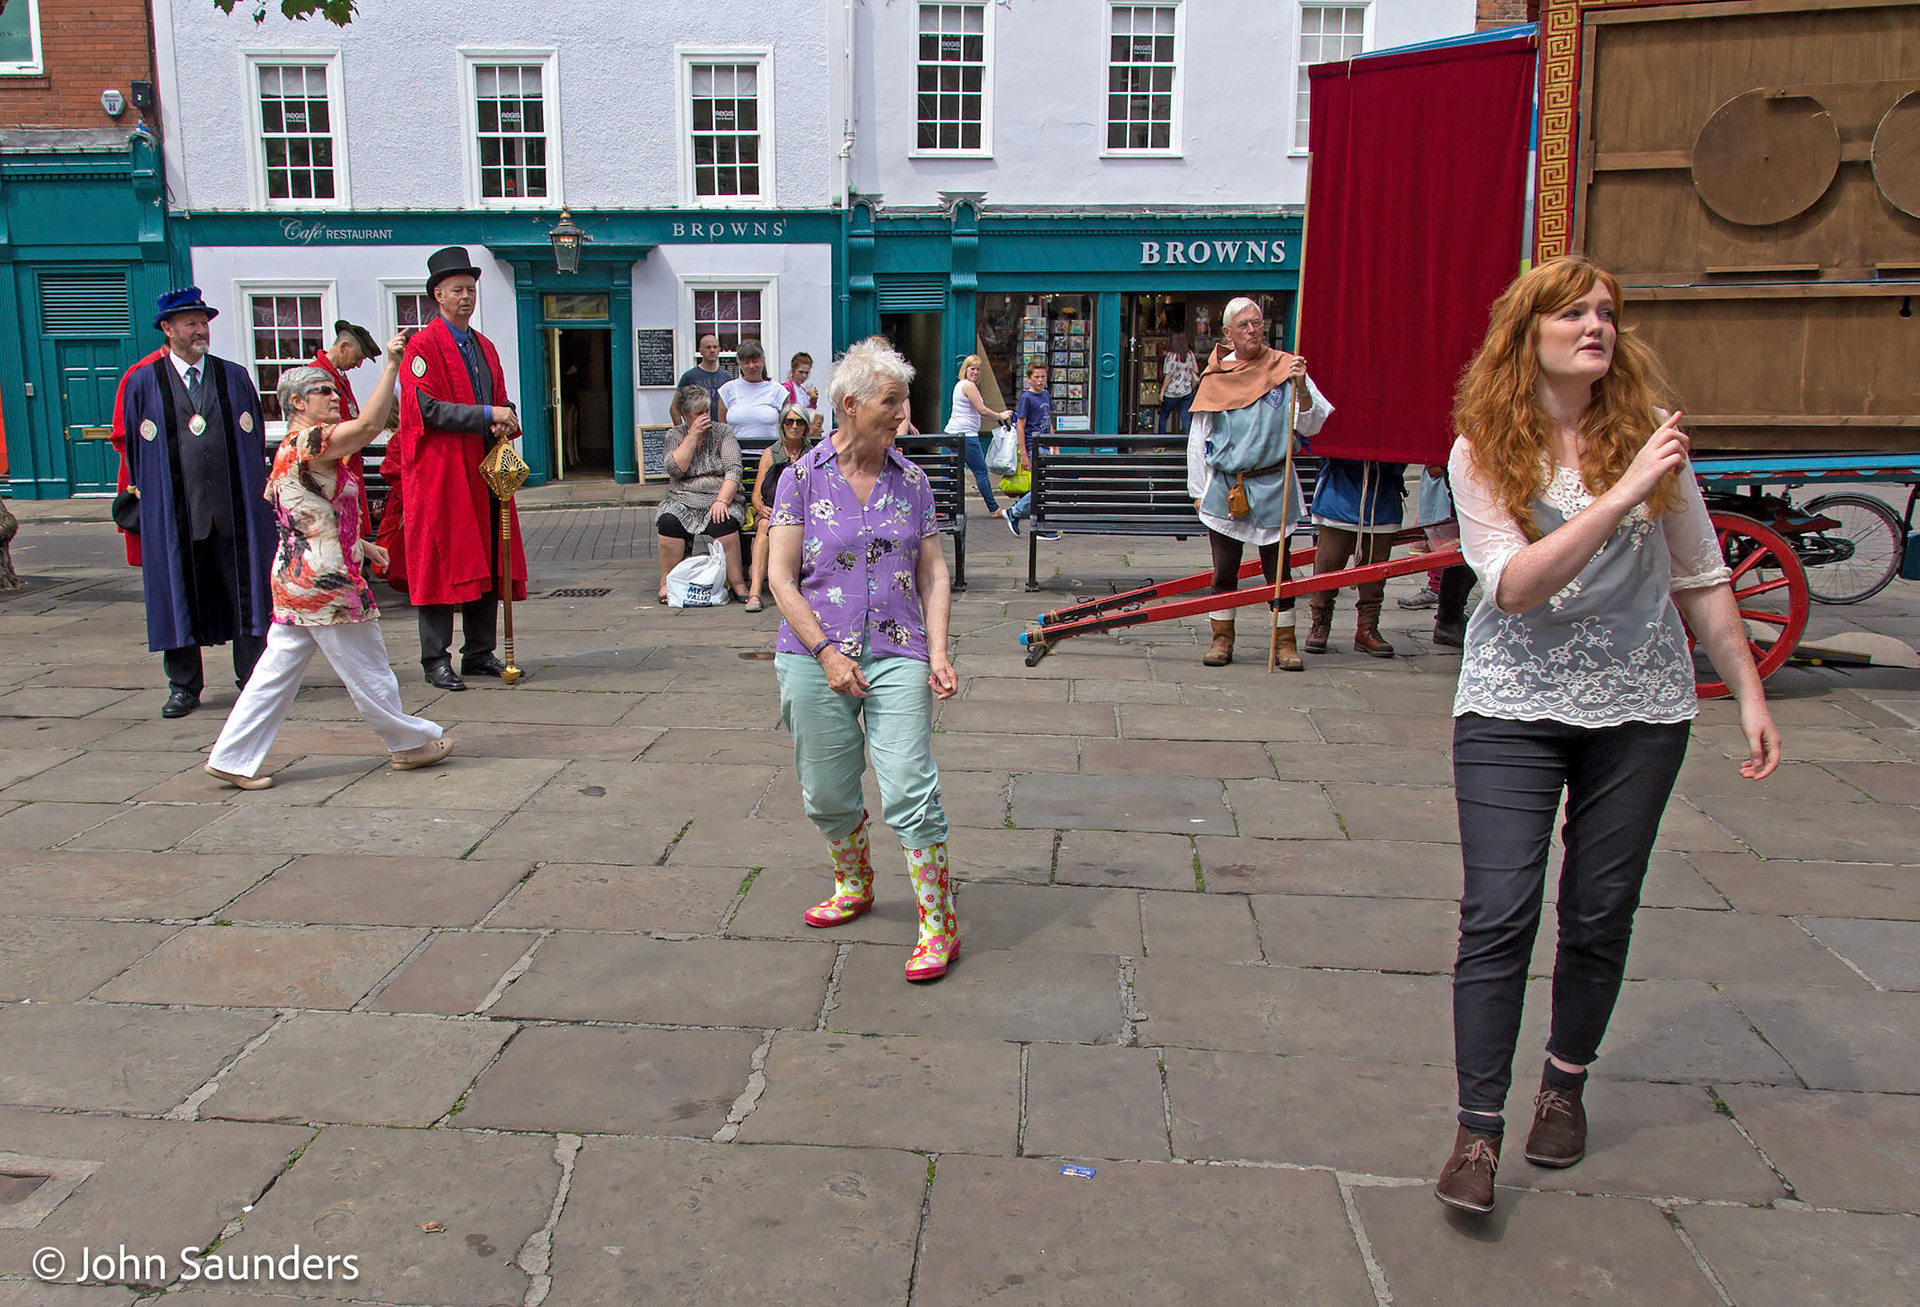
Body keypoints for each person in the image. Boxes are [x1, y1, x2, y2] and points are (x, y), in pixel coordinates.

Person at [1432, 257, 1782, 1215]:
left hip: (1641, 706)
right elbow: (1513, 586)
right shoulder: (1483, 450)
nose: (1597, 326)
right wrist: (1623, 492)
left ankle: (1564, 1082)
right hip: (1511, 703)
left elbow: (1703, 578)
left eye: (1607, 315)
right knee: (1499, 910)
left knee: (1598, 908)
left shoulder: (1652, 444)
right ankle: (1476, 1131)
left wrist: (1747, 690)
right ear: (1526, 331)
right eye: (1573, 312)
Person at [767, 336, 961, 982]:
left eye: (904, 403)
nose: (904, 418)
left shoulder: (913, 480)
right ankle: (855, 882)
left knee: (909, 782)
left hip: (898, 649)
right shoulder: (799, 479)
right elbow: (780, 578)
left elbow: (934, 571)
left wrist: (937, 650)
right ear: (849, 405)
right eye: (892, 403)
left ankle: (939, 920)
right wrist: (824, 653)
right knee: (825, 789)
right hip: (813, 652)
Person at [203, 350, 453, 789]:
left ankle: (232, 757)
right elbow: (369, 427)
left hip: (299, 577)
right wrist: (392, 366)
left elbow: (309, 518)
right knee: (369, 666)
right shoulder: (306, 443)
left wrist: (363, 545)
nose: (334, 398)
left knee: (275, 672)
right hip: (326, 584)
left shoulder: (296, 451)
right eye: (323, 392)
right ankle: (408, 744)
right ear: (297, 402)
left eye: (334, 391)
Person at [118, 287, 275, 718]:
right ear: (167, 330)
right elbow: (136, 449)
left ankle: (253, 680)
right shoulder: (143, 382)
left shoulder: (234, 376)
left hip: (232, 510)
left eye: (203, 321)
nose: (200, 329)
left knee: (246, 594)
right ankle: (184, 687)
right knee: (177, 595)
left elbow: (254, 439)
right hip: (178, 514)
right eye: (190, 322)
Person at [394, 246, 528, 692]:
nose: (467, 297)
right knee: (441, 562)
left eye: (471, 289)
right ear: (438, 295)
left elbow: (500, 397)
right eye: (458, 290)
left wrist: (506, 414)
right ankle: (435, 657)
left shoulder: (484, 346)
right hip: (442, 474)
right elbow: (425, 408)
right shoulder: (422, 346)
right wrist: (487, 412)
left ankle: (479, 651)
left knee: (489, 556)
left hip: (483, 469)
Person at [1185, 297, 1331, 671]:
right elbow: (1199, 439)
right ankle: (1222, 639)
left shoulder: (1286, 367)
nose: (1253, 330)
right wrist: (1198, 491)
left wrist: (1301, 389)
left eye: (1257, 323)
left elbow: (1311, 425)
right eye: (1244, 325)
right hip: (1228, 485)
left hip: (1273, 483)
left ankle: (1284, 643)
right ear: (1228, 334)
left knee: (1278, 571)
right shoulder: (1216, 378)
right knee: (1224, 571)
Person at [1304, 457, 1408, 658]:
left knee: (1374, 573)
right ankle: (1320, 623)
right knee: (1328, 564)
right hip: (1340, 493)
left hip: (1382, 495)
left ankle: (1367, 628)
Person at [656, 385, 749, 604]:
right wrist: (692, 436)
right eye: (698, 413)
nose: (705, 417)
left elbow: (733, 470)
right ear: (686, 415)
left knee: (724, 521)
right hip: (682, 498)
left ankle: (737, 583)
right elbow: (674, 469)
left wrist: (722, 501)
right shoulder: (674, 435)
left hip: (719, 495)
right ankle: (666, 581)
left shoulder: (722, 432)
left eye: (706, 411)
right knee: (669, 521)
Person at [309, 319, 381, 536]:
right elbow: (321, 429)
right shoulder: (317, 376)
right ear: (344, 347)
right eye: (358, 358)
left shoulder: (339, 377)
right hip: (333, 473)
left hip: (349, 468)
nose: (358, 365)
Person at [744, 403, 816, 612]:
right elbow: (756, 493)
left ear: (806, 426)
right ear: (782, 425)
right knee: (764, 526)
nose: (794, 426)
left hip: (802, 513)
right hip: (773, 509)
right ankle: (755, 591)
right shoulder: (770, 453)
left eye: (799, 422)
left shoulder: (812, 454)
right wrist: (760, 507)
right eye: (789, 422)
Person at [945, 354, 1012, 514]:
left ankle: (942, 505)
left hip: (951, 433)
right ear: (965, 369)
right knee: (981, 471)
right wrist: (1000, 416)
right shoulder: (969, 386)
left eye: (978, 369)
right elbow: (981, 410)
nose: (975, 372)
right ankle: (993, 508)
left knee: (951, 471)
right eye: (972, 368)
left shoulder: (959, 385)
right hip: (967, 436)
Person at [1001, 361, 1057, 540]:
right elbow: (1020, 426)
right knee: (1042, 486)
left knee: (1043, 486)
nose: (1040, 381)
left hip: (1046, 446)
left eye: (1043, 377)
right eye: (1037, 377)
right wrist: (1024, 454)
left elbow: (1049, 422)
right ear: (1029, 379)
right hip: (1034, 447)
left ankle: (1036, 524)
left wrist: (1055, 444)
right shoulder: (1027, 398)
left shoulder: (1046, 395)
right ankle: (1016, 512)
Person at [717, 340, 786, 453]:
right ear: (739, 363)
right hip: (736, 457)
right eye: (746, 362)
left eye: (755, 361)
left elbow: (788, 427)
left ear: (763, 361)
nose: (751, 366)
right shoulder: (727, 390)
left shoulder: (778, 391)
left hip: (770, 457)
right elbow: (722, 429)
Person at [673, 332, 730, 423]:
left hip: (719, 431)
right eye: (708, 347)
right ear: (700, 351)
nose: (712, 350)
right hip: (697, 430)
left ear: (719, 350)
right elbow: (674, 409)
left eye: (715, 347)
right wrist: (683, 432)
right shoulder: (689, 376)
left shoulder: (726, 377)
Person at [1157, 331, 1200, 435]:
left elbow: (1168, 375)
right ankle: (1190, 442)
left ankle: (1160, 443)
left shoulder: (1171, 356)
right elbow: (1196, 370)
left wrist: (1162, 391)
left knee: (1164, 416)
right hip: (1186, 391)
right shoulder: (1190, 355)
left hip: (1172, 392)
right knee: (1185, 416)